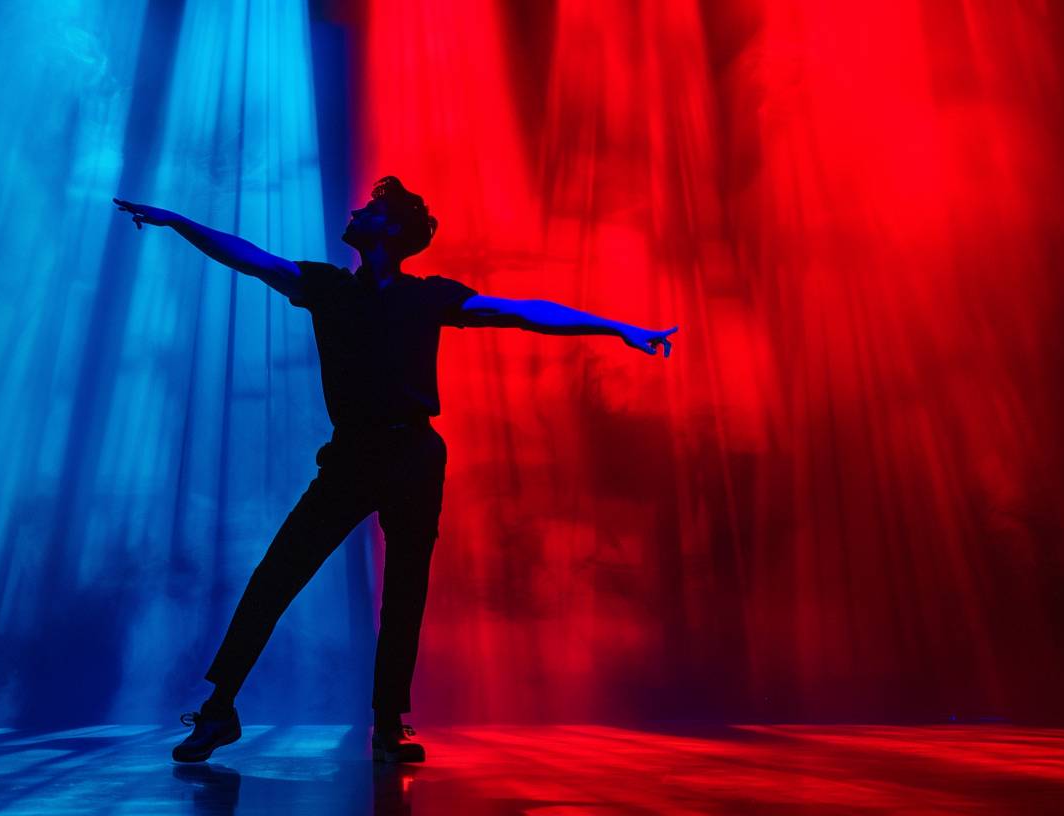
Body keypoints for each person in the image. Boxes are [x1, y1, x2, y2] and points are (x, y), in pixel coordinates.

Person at [113, 177, 677, 764]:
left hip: (413, 456)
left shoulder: (427, 296)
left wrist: (618, 328)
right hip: (353, 456)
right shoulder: (327, 286)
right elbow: (246, 256)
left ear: (392, 232)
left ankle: (388, 721)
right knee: (276, 577)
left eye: (372, 209)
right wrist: (177, 221)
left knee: (405, 591)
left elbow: (523, 313)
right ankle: (218, 710)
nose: (356, 208)